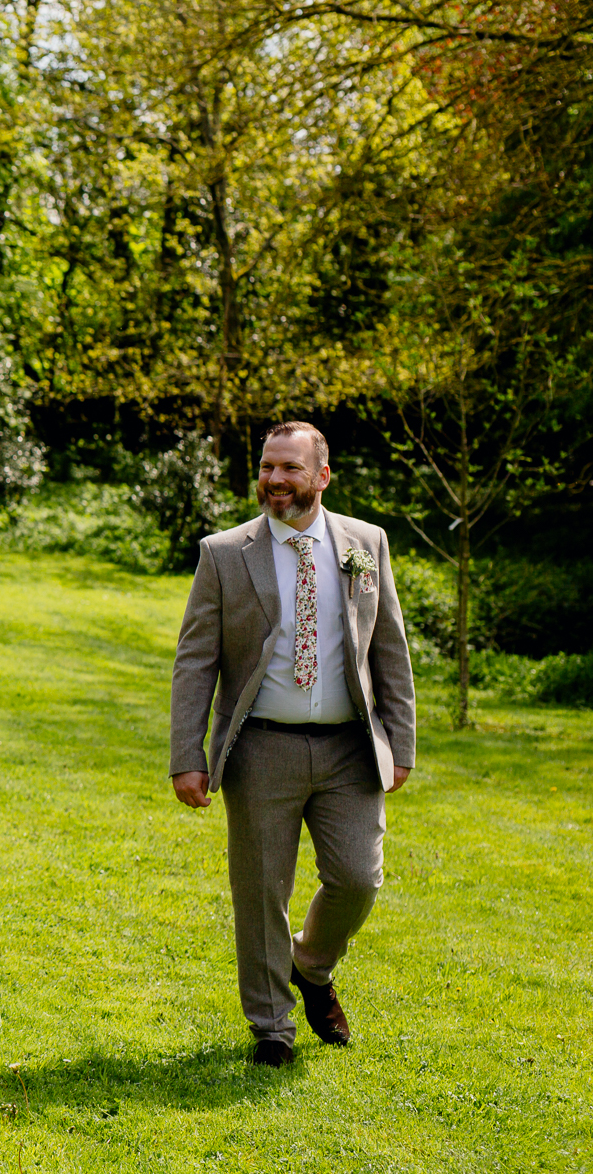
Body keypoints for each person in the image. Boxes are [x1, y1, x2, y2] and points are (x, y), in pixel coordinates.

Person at [170, 421, 416, 1066]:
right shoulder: (225, 552)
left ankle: (312, 964)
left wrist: (404, 741)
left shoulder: (367, 544)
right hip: (261, 748)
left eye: (290, 468)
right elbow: (196, 660)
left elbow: (389, 646)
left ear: (322, 476)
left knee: (358, 879)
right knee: (261, 892)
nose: (275, 480)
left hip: (350, 749)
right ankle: (271, 1026)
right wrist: (187, 755)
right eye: (267, 467)